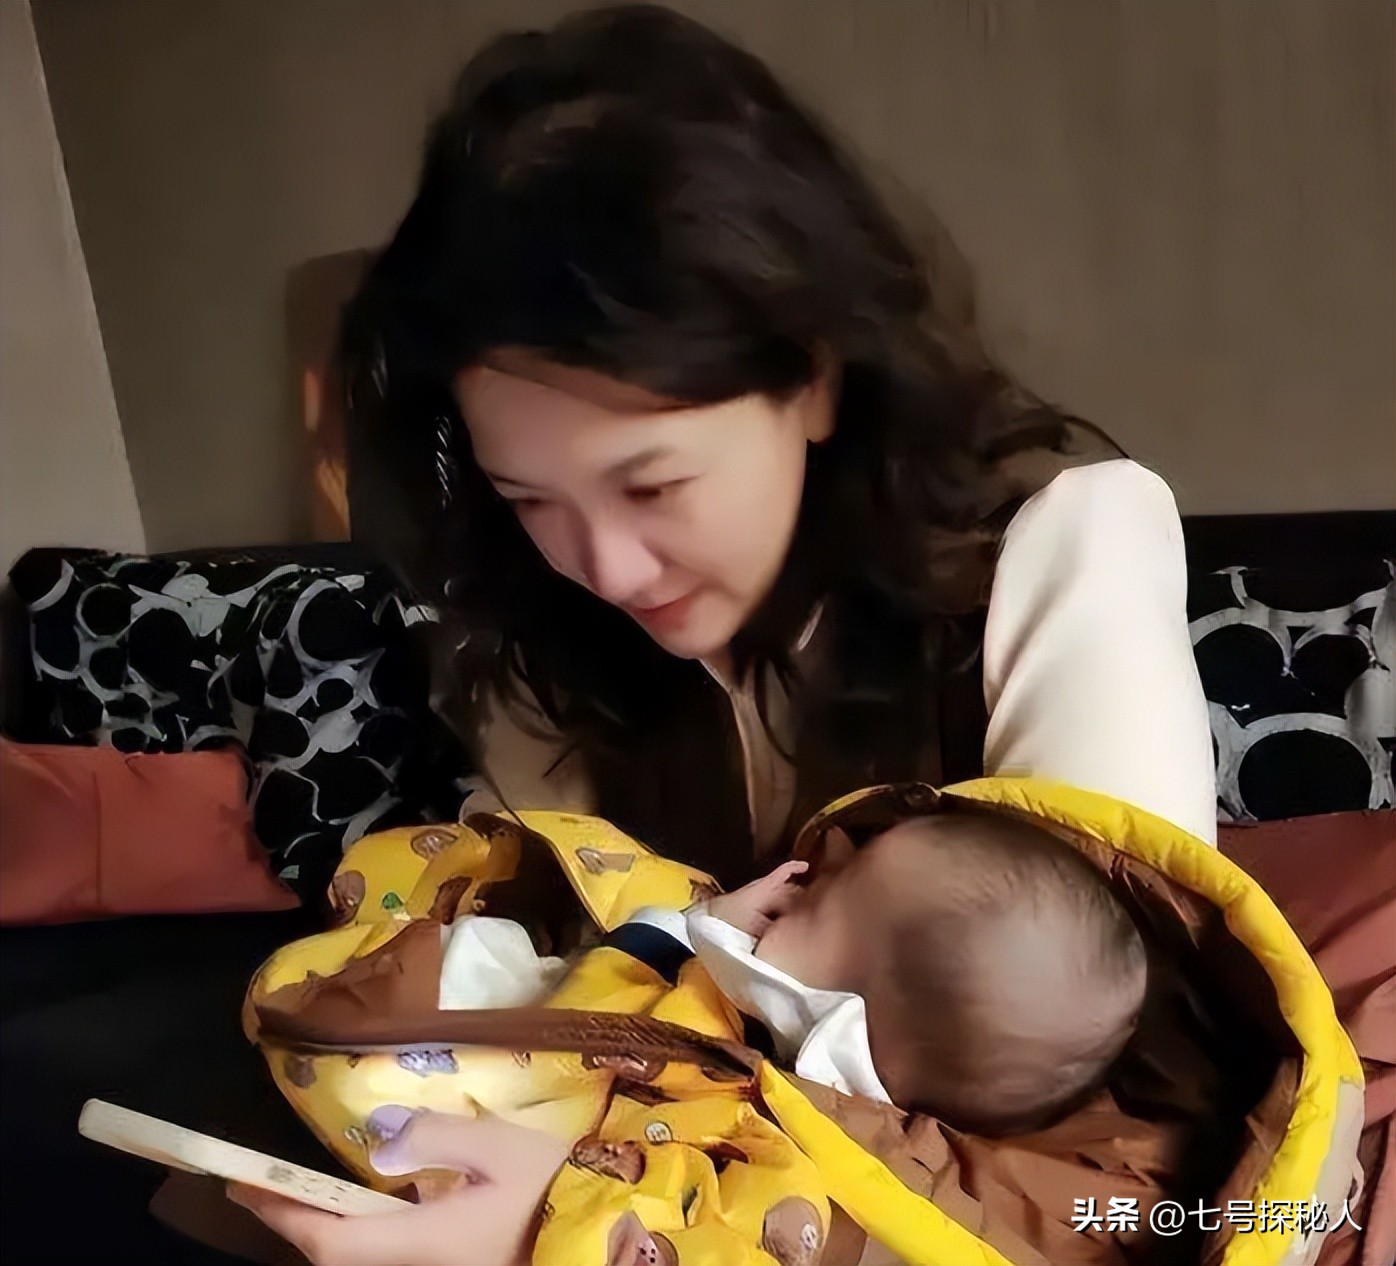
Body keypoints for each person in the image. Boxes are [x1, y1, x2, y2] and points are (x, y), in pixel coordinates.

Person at [235, 4, 1217, 1261]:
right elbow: (560, 983)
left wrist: (576, 1220)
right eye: (529, 499)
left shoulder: (1061, 543)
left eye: (652, 485)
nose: (602, 566)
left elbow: (1112, 1153)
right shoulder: (544, 626)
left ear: (812, 377)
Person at [243, 795, 1149, 1266]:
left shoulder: (787, 1153)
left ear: (834, 1026)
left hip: (496, 1116)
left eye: (820, 900)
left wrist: (682, 938)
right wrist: (691, 928)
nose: (803, 871)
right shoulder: (745, 995)